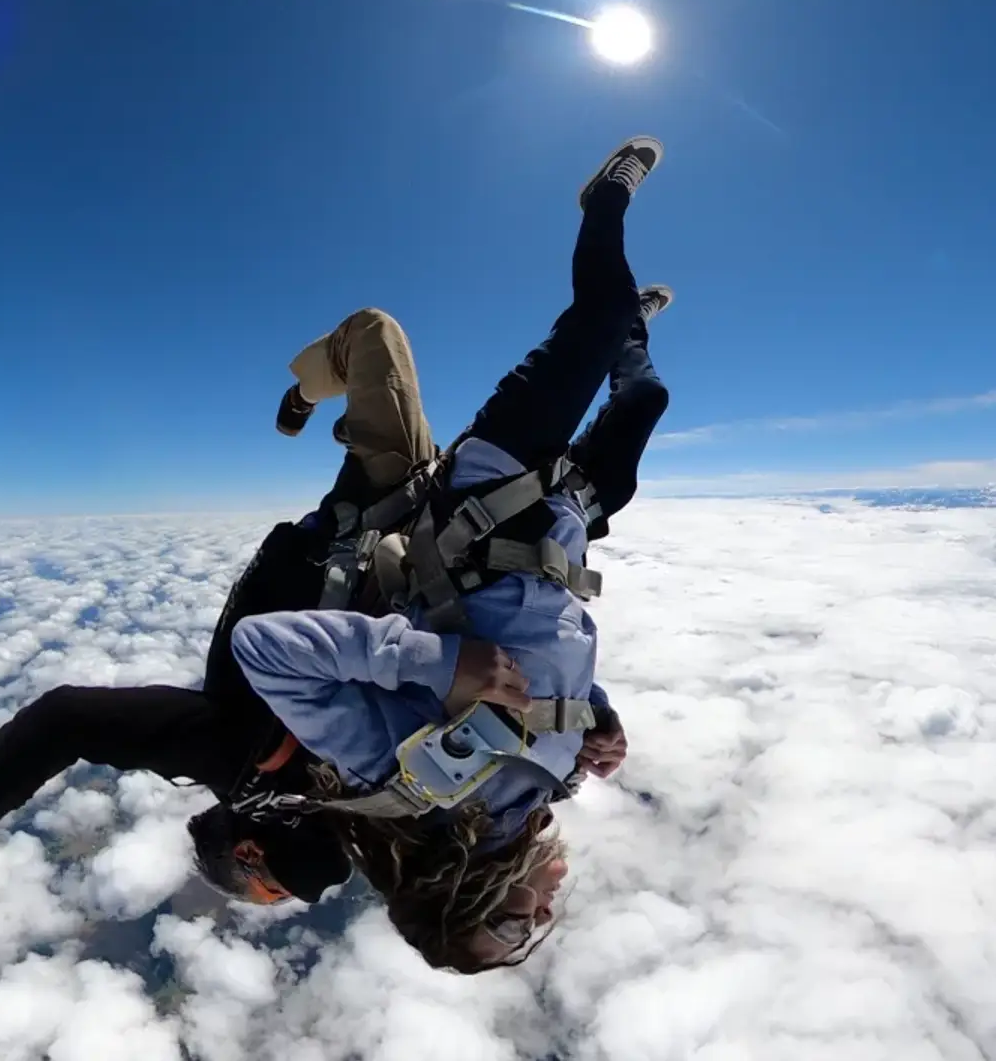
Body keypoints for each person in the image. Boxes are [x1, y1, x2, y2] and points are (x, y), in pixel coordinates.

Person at [0, 139, 673, 939]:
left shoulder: (228, 752)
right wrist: (586, 719)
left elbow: (66, 719)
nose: (301, 893)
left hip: (373, 516)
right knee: (611, 441)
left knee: (375, 336)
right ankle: (617, 336)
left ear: (246, 849)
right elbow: (516, 725)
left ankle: (306, 387)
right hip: (449, 557)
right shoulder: (403, 822)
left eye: (272, 889)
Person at [227, 135, 668, 971]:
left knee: (592, 318)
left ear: (461, 895)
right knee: (644, 392)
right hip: (560, 520)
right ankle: (631, 327)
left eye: (511, 929)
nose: (540, 918)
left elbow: (268, 651)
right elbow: (544, 662)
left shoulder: (409, 783)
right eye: (526, 937)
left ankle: (603, 201)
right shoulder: (547, 784)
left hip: (489, 487)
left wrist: (441, 664)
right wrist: (598, 718)